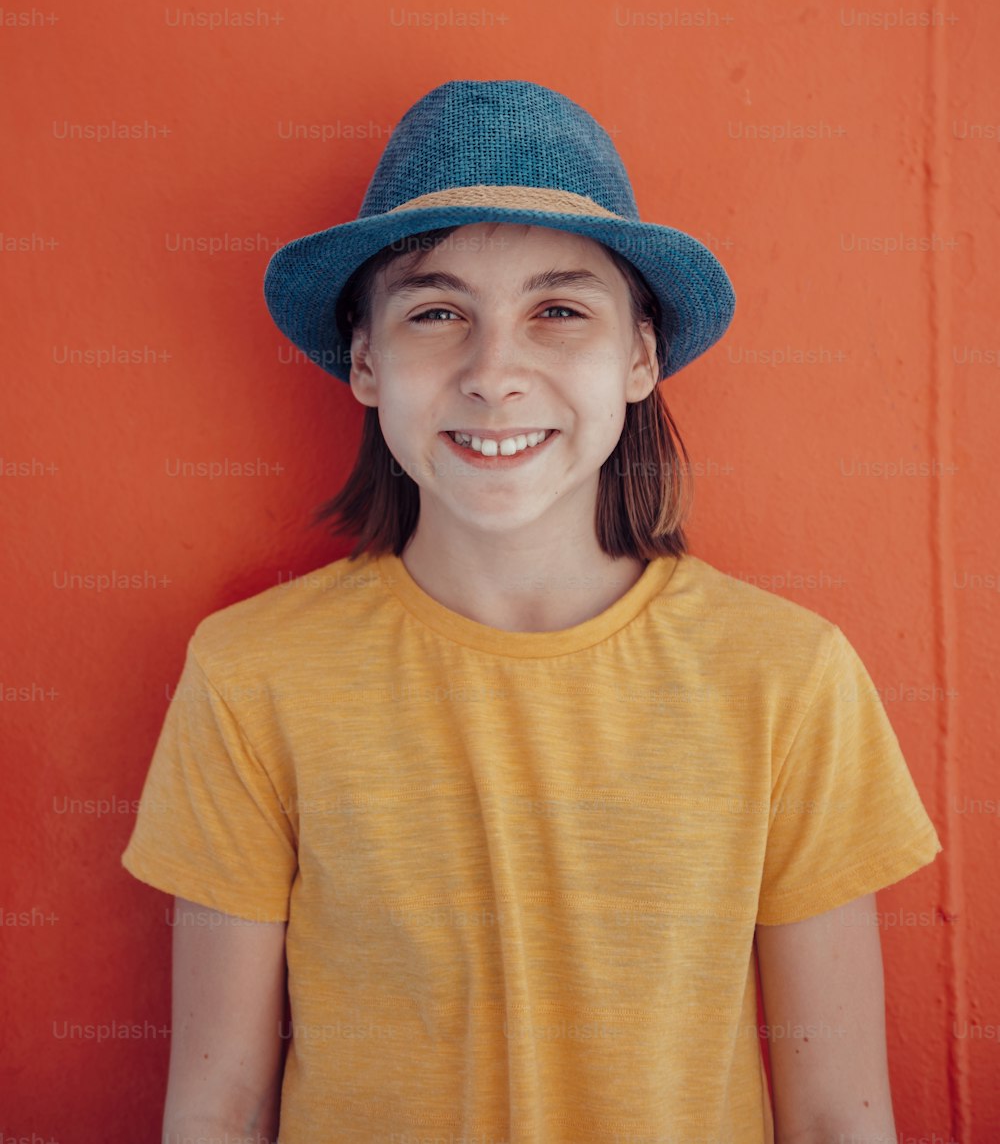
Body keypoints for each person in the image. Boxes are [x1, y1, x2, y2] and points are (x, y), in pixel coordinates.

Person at [121, 78, 943, 1144]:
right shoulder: (250, 677)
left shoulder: (788, 679)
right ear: (365, 360)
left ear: (639, 356)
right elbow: (220, 1106)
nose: (493, 371)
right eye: (435, 312)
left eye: (557, 310)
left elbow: (837, 1113)